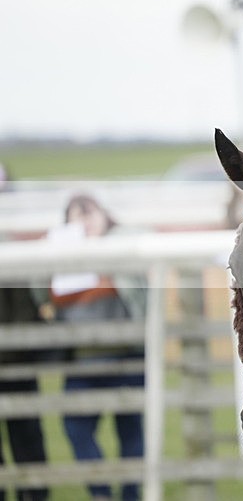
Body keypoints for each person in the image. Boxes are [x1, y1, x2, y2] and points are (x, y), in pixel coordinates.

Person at [47, 194, 146, 501]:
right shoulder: (59, 256)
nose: (86, 222)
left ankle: (130, 492)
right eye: (77, 217)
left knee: (130, 431)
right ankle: (101, 492)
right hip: (83, 360)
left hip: (127, 355)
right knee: (76, 428)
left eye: (90, 214)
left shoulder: (126, 244)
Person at [0, 288, 50, 501]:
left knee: (27, 440)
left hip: (17, 366)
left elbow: (25, 313)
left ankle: (32, 493)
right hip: (16, 361)